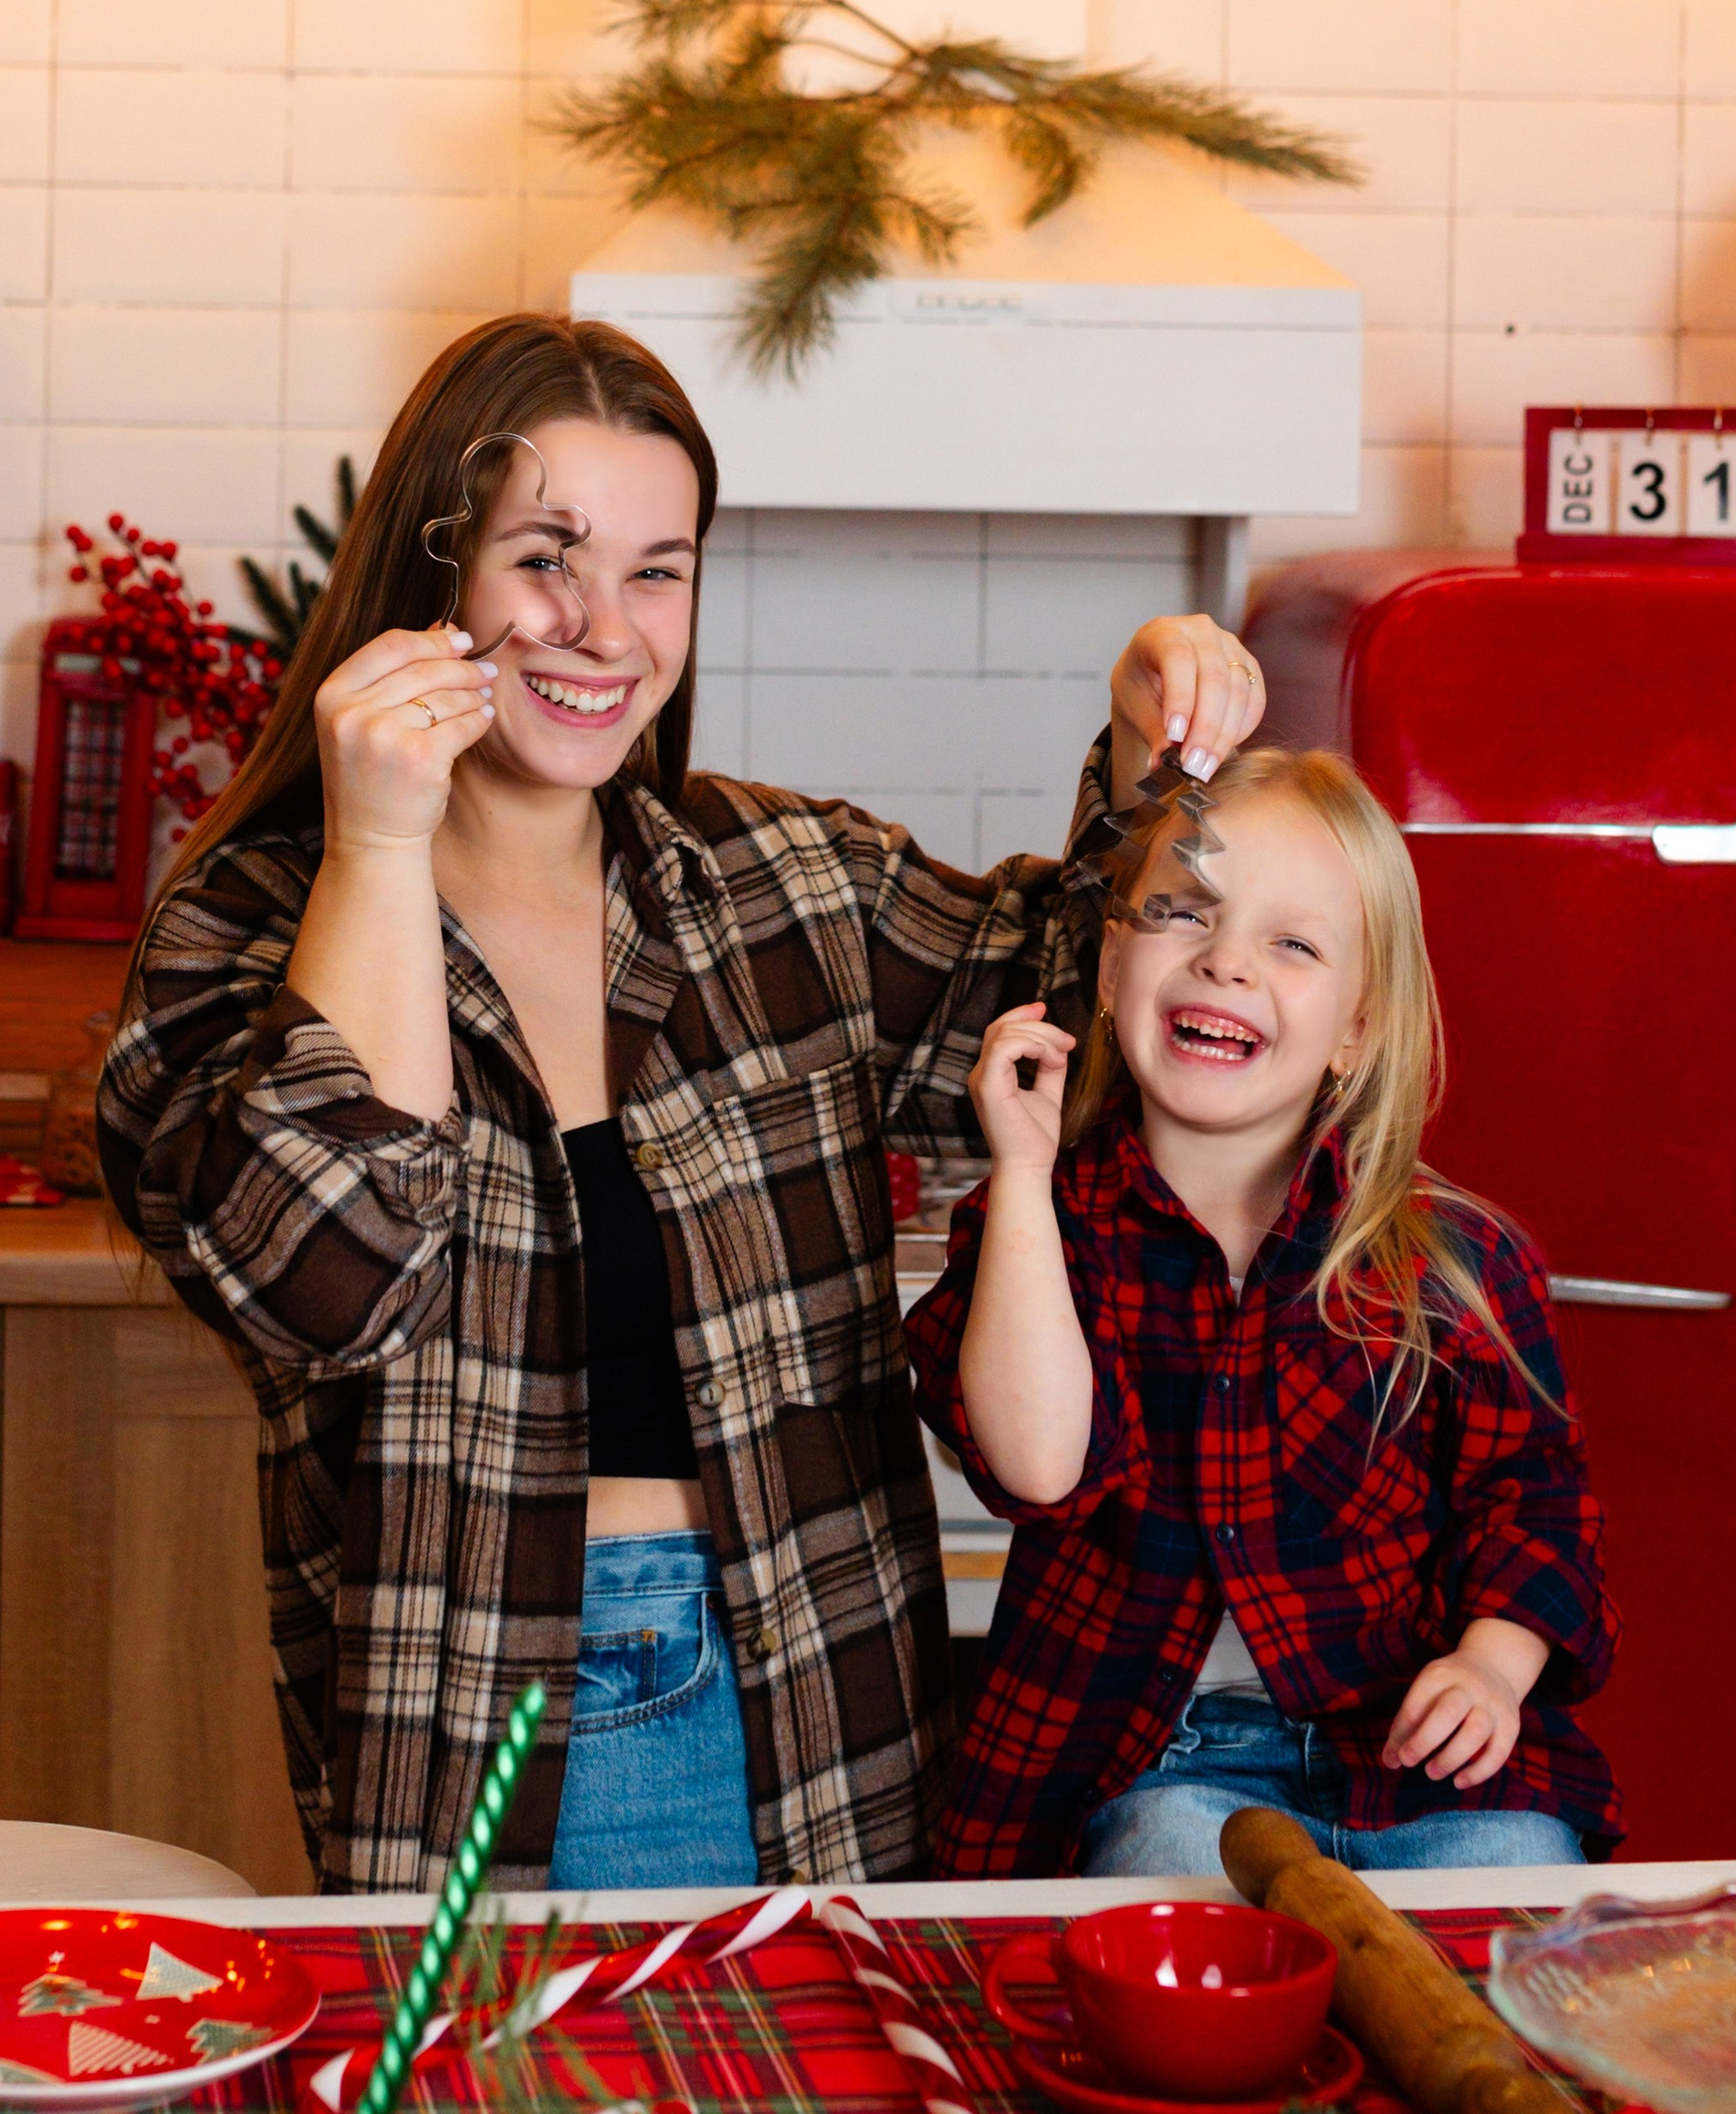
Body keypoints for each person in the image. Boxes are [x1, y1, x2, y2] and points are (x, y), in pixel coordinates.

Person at [97, 314, 1264, 1893]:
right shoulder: (242, 929)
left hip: (831, 1698)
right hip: (496, 1732)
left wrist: (1148, 764)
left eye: (658, 569)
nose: (602, 628)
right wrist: (378, 848)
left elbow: (1093, 1022)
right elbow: (339, 1289)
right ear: (427, 578)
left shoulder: (781, 888)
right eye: (544, 559)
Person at [907, 745, 1621, 1879]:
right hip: (1152, 1768)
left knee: (1515, 1923)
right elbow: (1040, 1468)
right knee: (1170, 1929)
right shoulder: (1038, 1226)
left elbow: (1531, 1500)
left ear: (1354, 1028)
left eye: (1291, 944)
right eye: (1184, 914)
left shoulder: (1453, 1260)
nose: (1225, 963)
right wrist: (1027, 1177)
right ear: (1107, 969)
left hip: (1413, 1761)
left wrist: (1492, 1664)